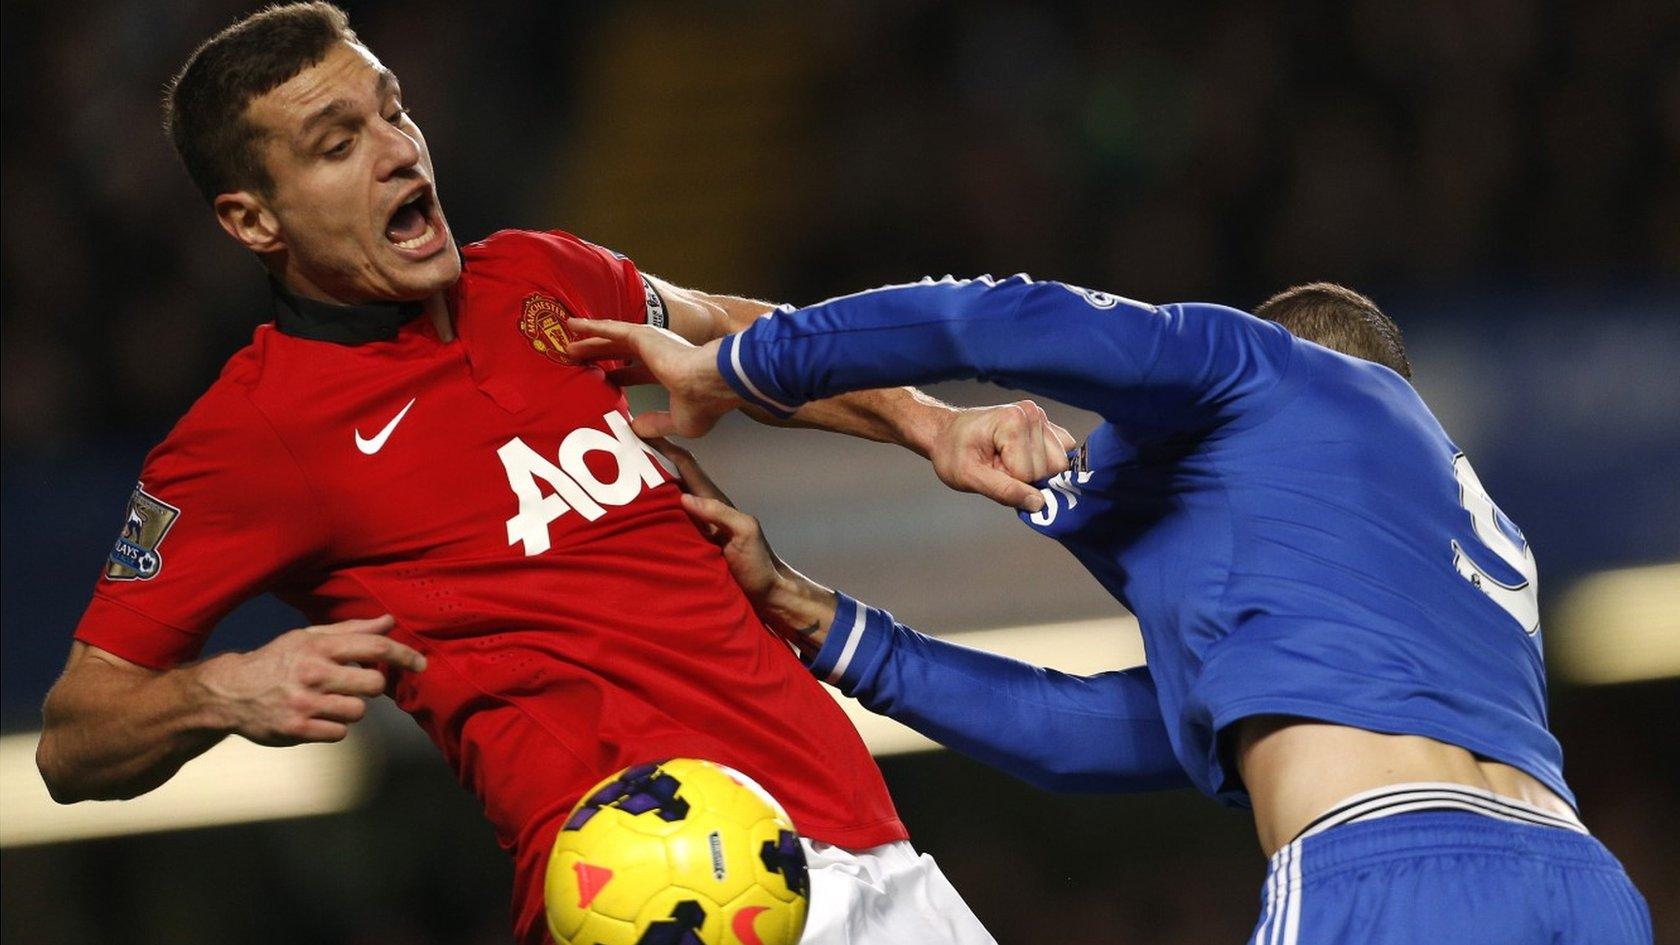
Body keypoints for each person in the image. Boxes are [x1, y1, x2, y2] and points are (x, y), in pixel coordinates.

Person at [32, 7, 1073, 943]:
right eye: (336, 145)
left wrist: (925, 423)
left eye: (393, 111)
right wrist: (221, 689)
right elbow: (75, 740)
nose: (397, 150)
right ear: (253, 219)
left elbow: (734, 337)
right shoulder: (250, 436)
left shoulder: (540, 276)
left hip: (870, 855)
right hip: (655, 909)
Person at [569, 276, 1654, 944]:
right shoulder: (1475, 558)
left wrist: (744, 363)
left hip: (1387, 872)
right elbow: (1103, 734)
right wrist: (814, 614)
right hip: (1589, 890)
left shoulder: (1265, 364)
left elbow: (999, 314)